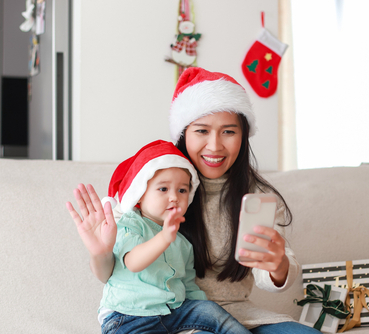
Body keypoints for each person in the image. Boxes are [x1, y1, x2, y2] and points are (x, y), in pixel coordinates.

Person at [68, 67, 322, 333]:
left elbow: (272, 276)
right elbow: (113, 272)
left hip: (237, 315)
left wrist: (277, 264)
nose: (214, 146)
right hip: (167, 315)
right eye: (202, 131)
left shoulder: (257, 195)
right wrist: (100, 253)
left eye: (228, 132)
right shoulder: (152, 185)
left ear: (243, 136)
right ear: (183, 134)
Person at [67, 140, 252, 334]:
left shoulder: (182, 242)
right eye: (163, 189)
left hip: (173, 312)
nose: (174, 197)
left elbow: (187, 285)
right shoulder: (129, 223)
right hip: (128, 316)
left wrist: (200, 309)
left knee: (210, 310)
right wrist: (164, 237)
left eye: (182, 190)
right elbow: (133, 262)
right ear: (140, 195)